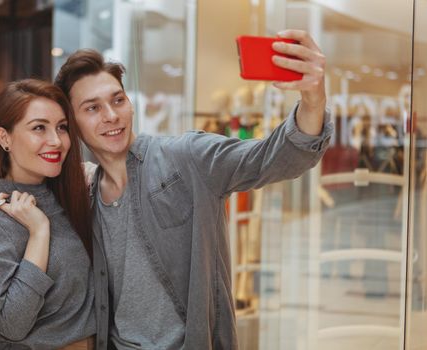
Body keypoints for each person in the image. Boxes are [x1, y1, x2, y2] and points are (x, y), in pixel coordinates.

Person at [55, 29, 333, 350]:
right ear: (72, 124)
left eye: (118, 100)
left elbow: (273, 159)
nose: (112, 115)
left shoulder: (186, 156)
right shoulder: (87, 197)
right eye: (92, 108)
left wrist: (314, 99)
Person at [0, 79, 96, 349]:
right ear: (5, 138)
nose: (57, 141)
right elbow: (12, 325)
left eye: (61, 128)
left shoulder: (71, 197)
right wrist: (39, 233)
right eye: (39, 127)